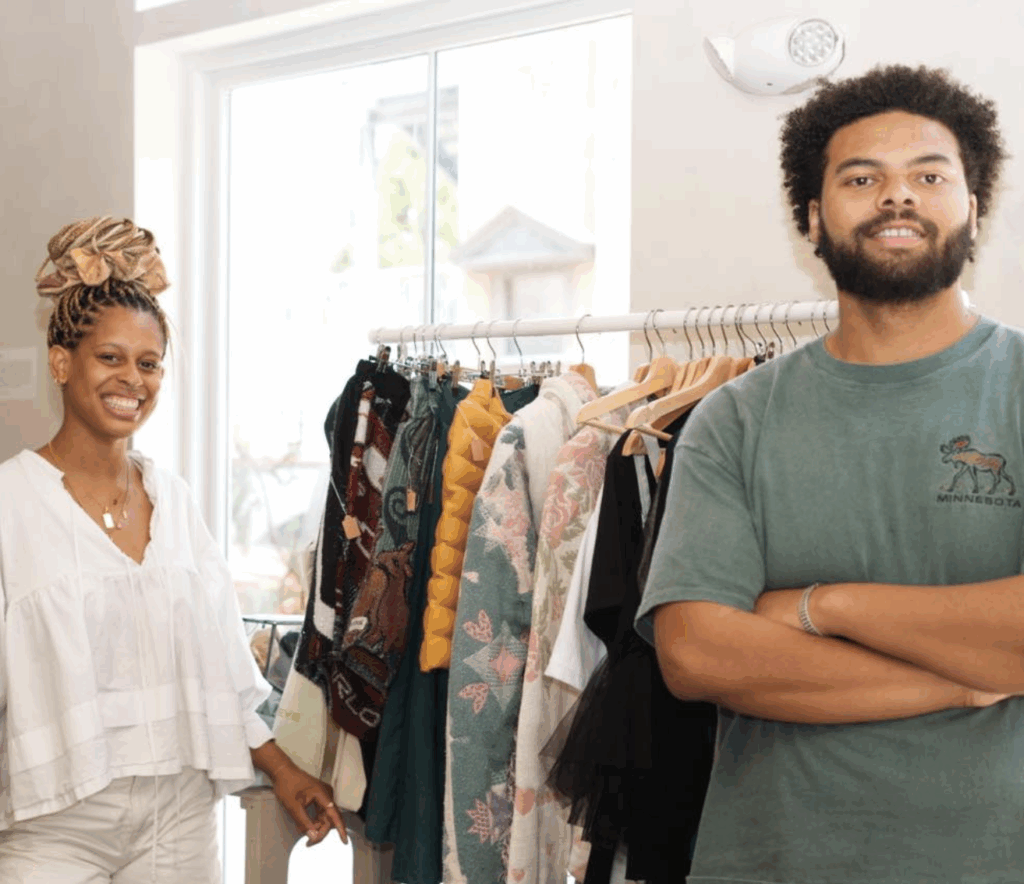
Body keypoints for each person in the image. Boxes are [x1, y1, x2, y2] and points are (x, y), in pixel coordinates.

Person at [635, 64, 1024, 883]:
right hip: (773, 861)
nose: (897, 195)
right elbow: (698, 655)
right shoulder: (732, 419)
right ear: (813, 217)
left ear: (974, 209)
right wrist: (962, 683)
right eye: (861, 178)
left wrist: (820, 607)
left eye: (929, 176)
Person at [0, 216, 346, 883]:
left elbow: (220, 662)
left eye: (149, 363)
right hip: (52, 826)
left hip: (178, 817)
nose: (133, 379)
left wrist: (282, 770)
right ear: (62, 362)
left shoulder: (175, 501)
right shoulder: (11, 503)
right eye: (110, 358)